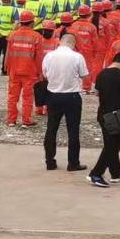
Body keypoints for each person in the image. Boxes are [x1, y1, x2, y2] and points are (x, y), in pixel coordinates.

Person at [42, 33, 89, 171]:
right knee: (73, 130)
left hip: (53, 96)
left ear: (60, 41)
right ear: (73, 43)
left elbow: (45, 74)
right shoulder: (77, 56)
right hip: (72, 97)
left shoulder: (49, 56)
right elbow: (84, 75)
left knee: (51, 129)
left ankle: (49, 162)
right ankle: (73, 163)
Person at [88, 52, 120, 188]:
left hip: (103, 113)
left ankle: (115, 173)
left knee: (110, 142)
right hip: (117, 114)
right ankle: (96, 173)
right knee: (113, 145)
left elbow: (96, 92)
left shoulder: (102, 73)